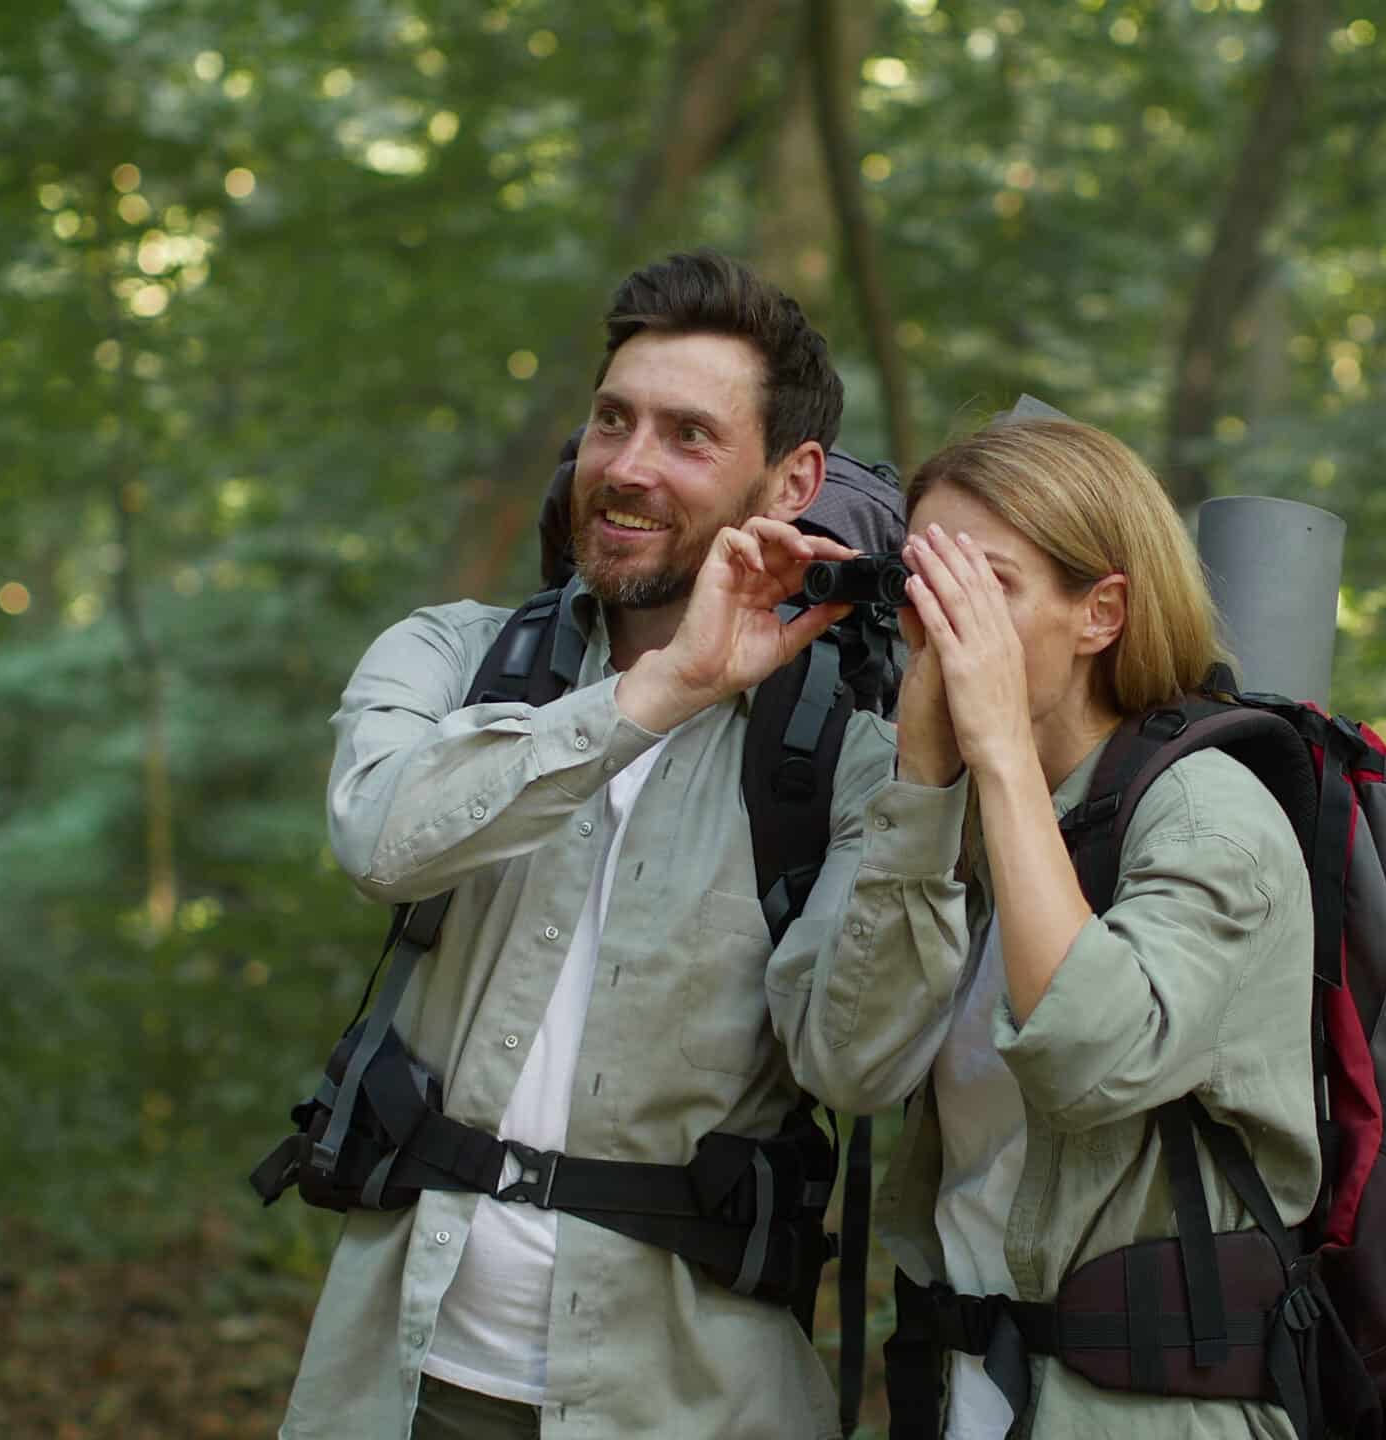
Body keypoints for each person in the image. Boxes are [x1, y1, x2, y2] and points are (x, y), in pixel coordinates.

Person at [283, 251, 867, 1439]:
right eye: (612, 419)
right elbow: (382, 842)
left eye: (689, 436)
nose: (628, 466)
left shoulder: (842, 750)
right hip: (397, 1384)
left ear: (790, 478)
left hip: (690, 1403)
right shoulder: (451, 654)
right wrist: (654, 697)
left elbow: (861, 1065)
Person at [768, 417, 1321, 1438]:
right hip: (966, 1387)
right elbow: (847, 1066)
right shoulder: (952, 802)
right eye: (922, 584)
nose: (940, 623)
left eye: (986, 586)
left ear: (1100, 612)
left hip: (1149, 1409)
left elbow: (1089, 1061)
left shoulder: (1207, 817)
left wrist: (1001, 761)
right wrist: (929, 789)